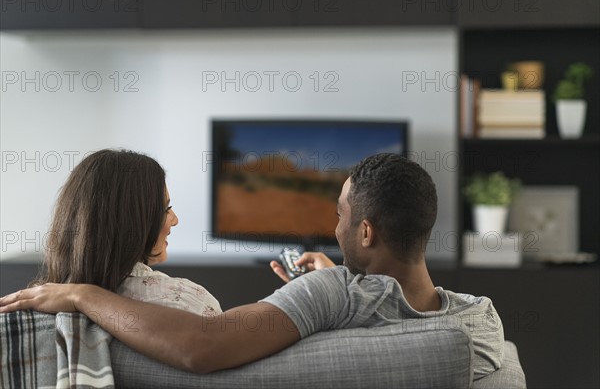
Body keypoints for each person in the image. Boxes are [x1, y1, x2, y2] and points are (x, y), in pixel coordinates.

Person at [0, 153, 503, 379]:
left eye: (339, 216)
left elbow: (205, 343)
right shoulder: (480, 326)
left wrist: (83, 293)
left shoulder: (329, 292)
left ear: (365, 233)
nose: (334, 228)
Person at [29, 149, 221, 317]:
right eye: (165, 209)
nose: (175, 219)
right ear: (134, 222)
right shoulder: (192, 303)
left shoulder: (35, 305)